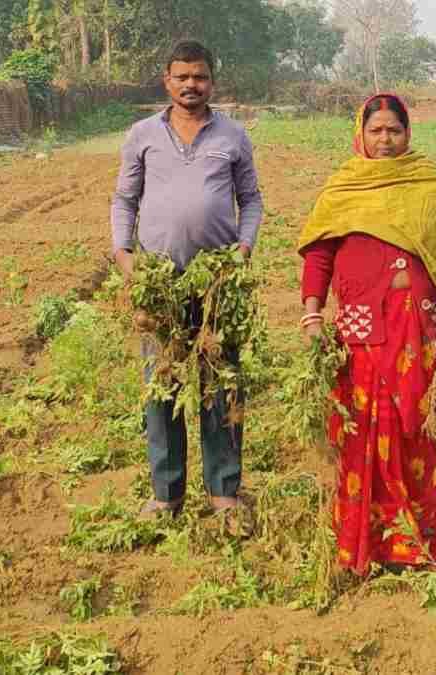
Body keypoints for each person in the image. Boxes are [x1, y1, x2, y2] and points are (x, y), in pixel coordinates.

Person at [296, 93, 436, 574]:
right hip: (359, 329)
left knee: (414, 430)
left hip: (418, 330)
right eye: (376, 130)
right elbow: (319, 256)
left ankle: (416, 545)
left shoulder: (432, 188)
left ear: (407, 133)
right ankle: (364, 545)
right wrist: (313, 315)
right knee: (360, 432)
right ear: (361, 133)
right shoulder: (343, 188)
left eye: (394, 130)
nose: (385, 139)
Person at [110, 40, 264, 524]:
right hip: (160, 283)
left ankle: (224, 494)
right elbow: (124, 199)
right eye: (182, 77)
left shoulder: (233, 136)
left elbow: (251, 200)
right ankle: (166, 495)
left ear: (211, 81)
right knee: (162, 388)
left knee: (221, 388)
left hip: (217, 283)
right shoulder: (142, 135)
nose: (190, 85)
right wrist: (124, 254)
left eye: (199, 76)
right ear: (167, 81)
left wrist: (242, 251)